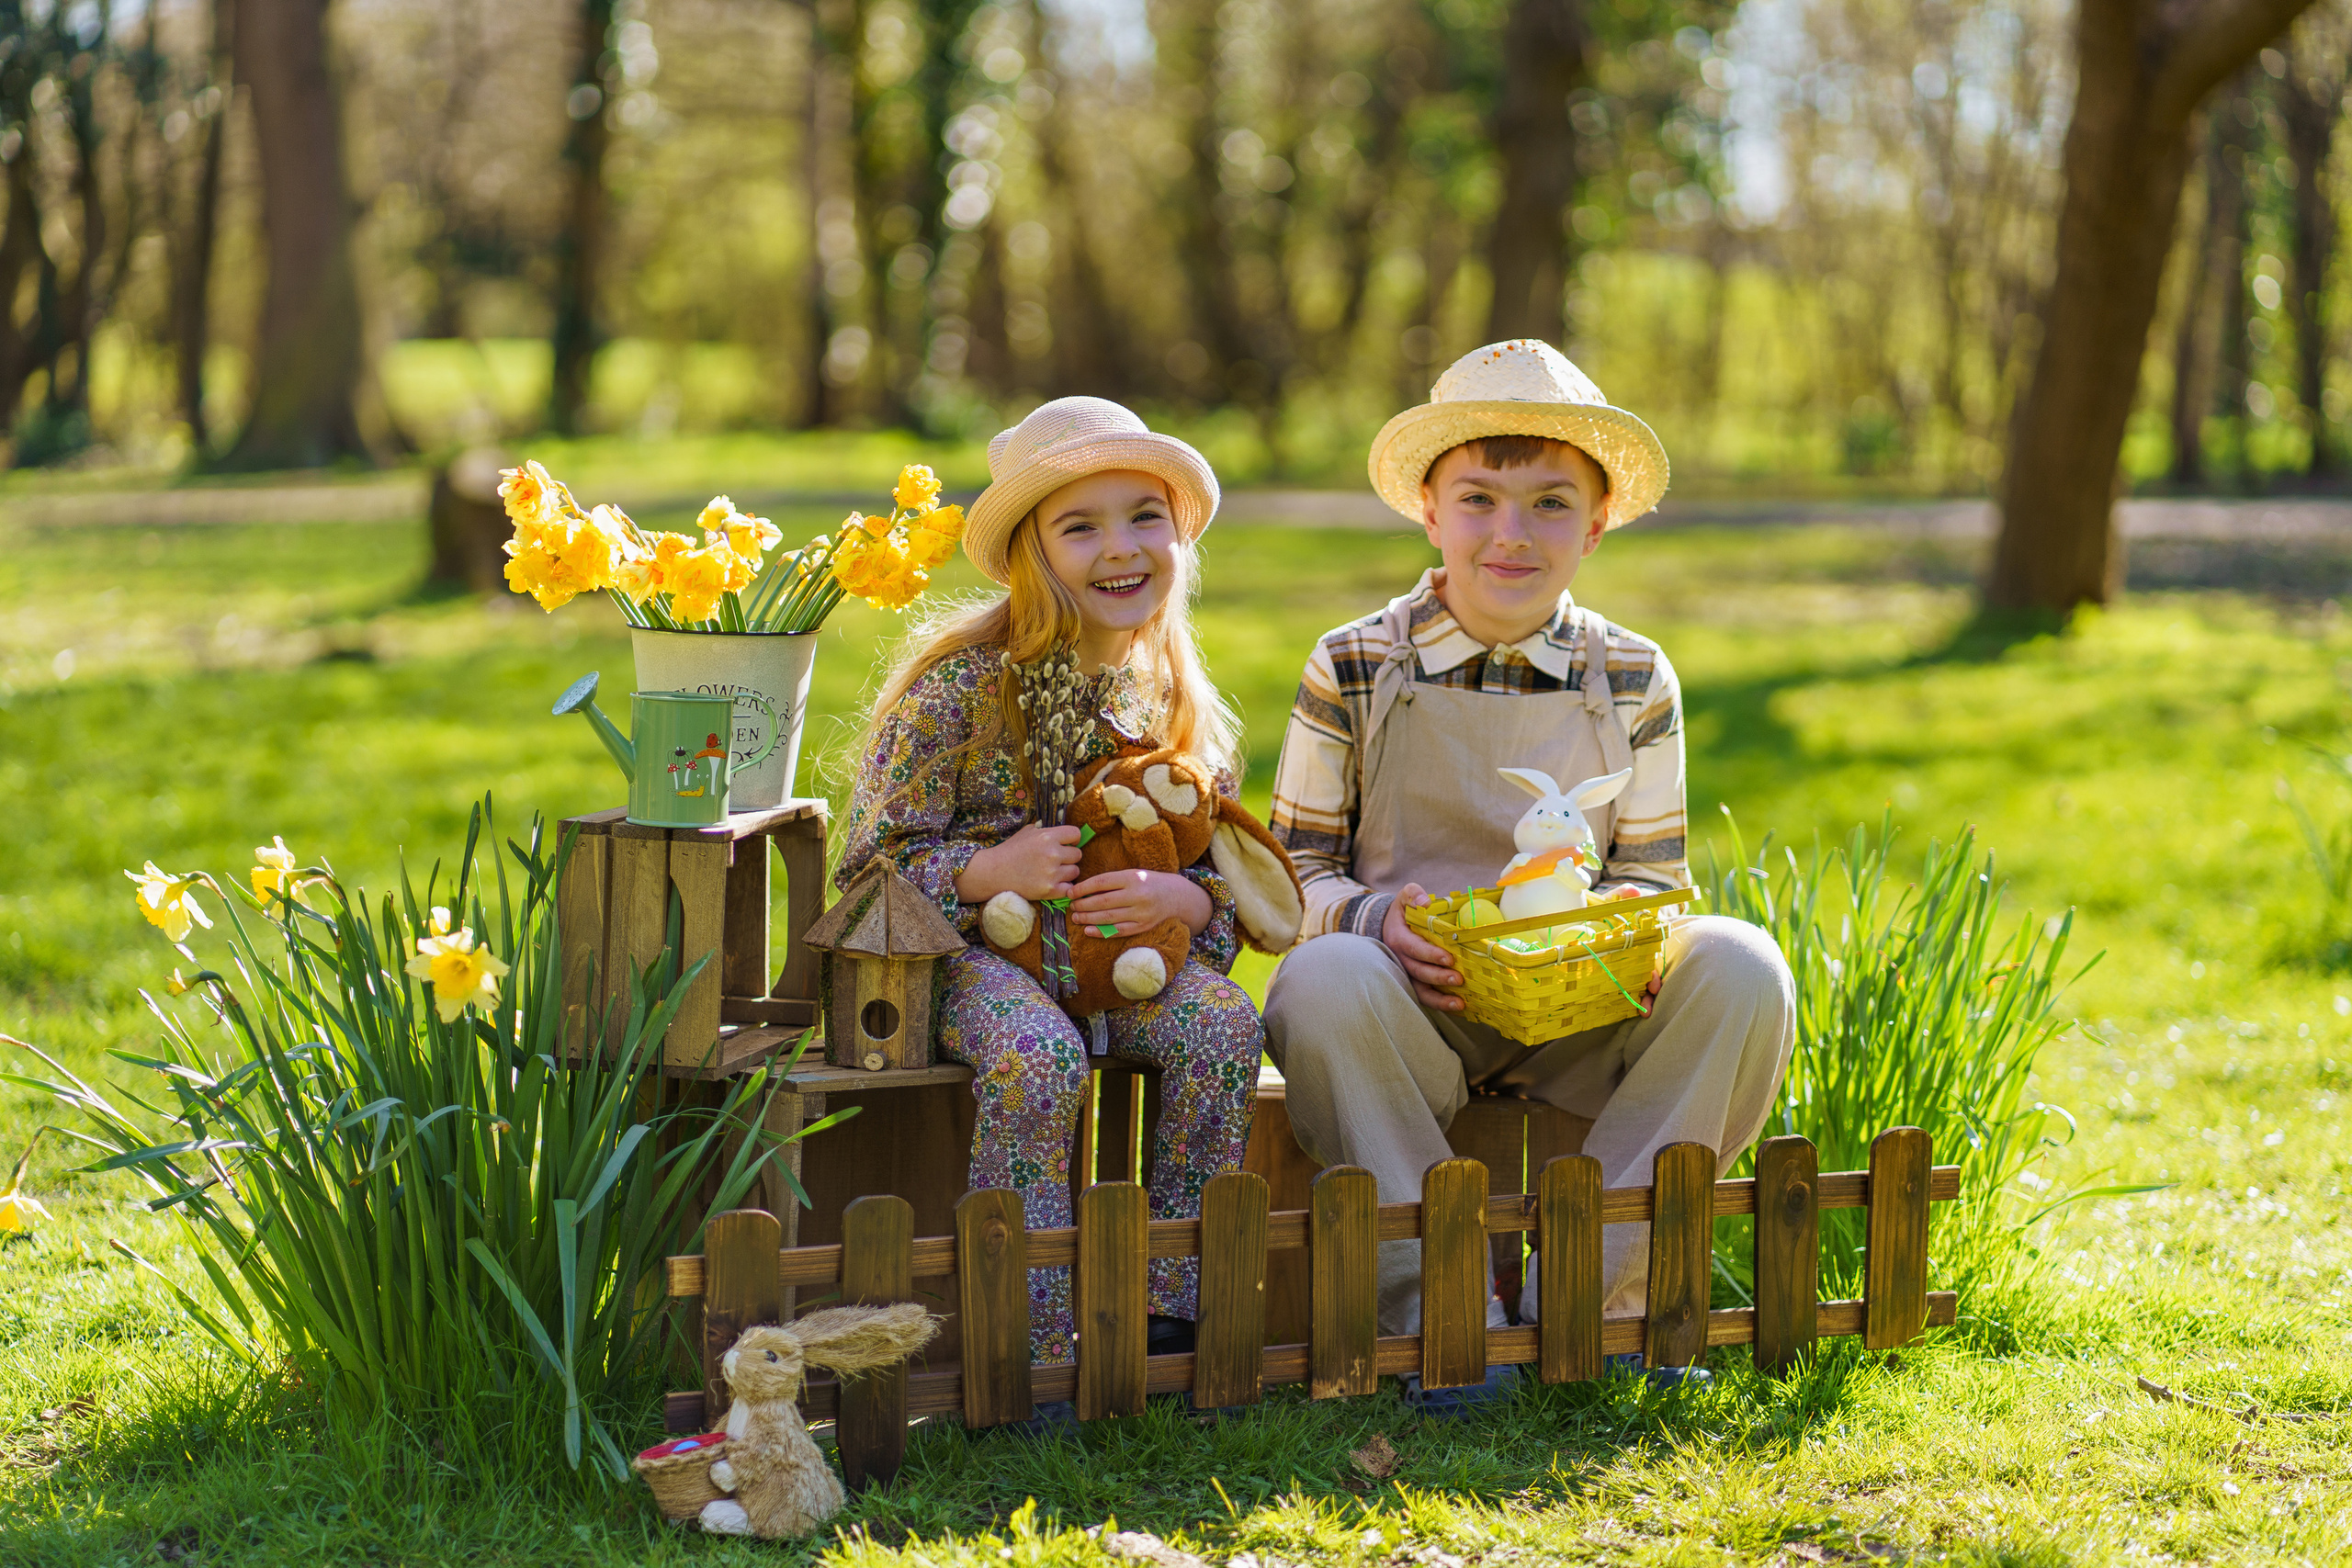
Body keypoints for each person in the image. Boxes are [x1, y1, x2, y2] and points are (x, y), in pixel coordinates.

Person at [1262, 340, 1796, 1393]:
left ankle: (1592, 1312)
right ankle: (1442, 1325)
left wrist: (1624, 939)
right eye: (1478, 499)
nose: (1511, 533)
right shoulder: (1356, 662)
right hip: (1410, 1006)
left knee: (1743, 967)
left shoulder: (1635, 675)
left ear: (1595, 525)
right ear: (1428, 508)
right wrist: (1377, 927)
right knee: (1318, 981)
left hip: (1580, 1002)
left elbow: (1649, 879)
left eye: (1550, 504)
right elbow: (1290, 878)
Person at [835, 397, 1263, 1371]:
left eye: (1143, 517)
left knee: (1226, 1027)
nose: (1120, 548)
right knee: (1039, 1055)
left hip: (1124, 962)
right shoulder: (958, 686)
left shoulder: (1170, 697)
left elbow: (1227, 864)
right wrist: (989, 872)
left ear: (1179, 539)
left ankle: (1171, 1315)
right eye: (1080, 526)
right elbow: (867, 873)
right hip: (971, 963)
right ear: (1032, 550)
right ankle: (1020, 1337)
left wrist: (1190, 905)